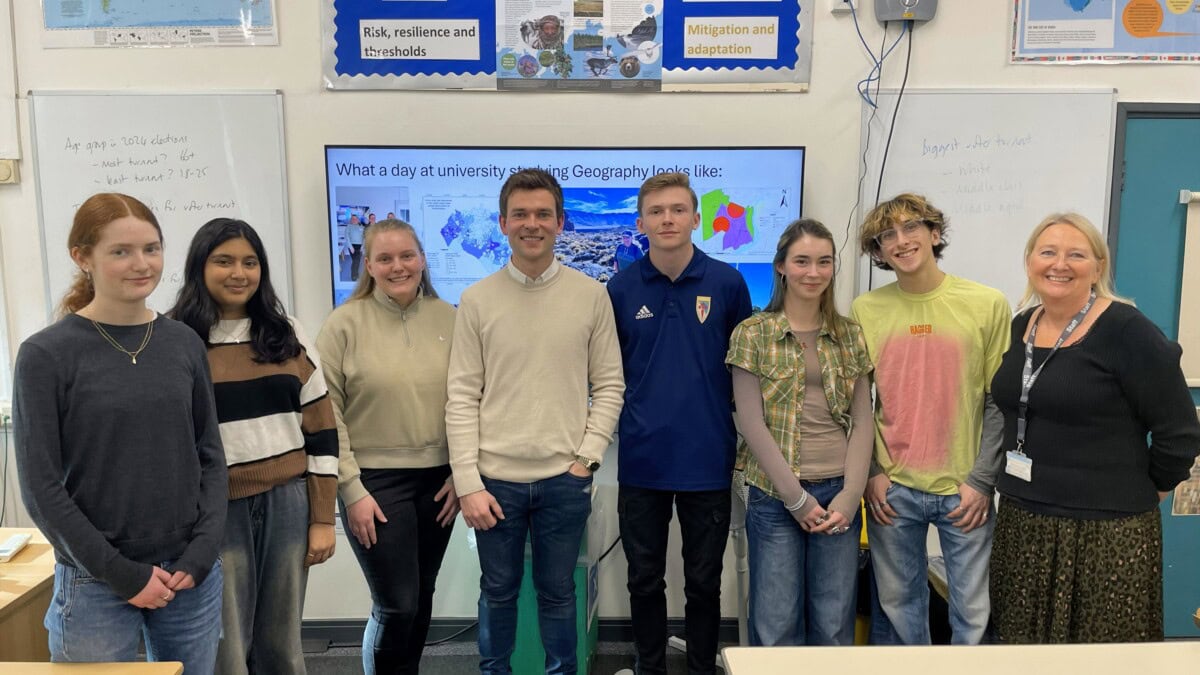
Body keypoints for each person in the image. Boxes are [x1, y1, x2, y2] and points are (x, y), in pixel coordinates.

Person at [13, 193, 226, 670]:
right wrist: (120, 574)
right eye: (121, 252)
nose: (141, 264)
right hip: (95, 581)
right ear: (82, 257)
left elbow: (209, 455)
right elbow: (41, 488)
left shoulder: (183, 342)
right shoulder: (46, 355)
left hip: (189, 576)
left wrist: (200, 555)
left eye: (151, 248)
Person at [989, 213, 1200, 643]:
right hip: (1023, 522)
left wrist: (1150, 490)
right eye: (1047, 252)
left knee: (1103, 655)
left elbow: (1180, 432)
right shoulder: (1021, 325)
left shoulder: (1126, 330)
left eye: (1076, 254)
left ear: (1098, 267)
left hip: (1106, 532)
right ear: (1030, 261)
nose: (1059, 264)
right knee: (1023, 653)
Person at [446, 168, 624, 674]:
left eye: (543, 214)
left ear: (560, 223)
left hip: (563, 480)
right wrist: (467, 481)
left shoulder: (591, 295)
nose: (532, 224)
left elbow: (610, 384)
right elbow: (460, 395)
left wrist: (586, 460)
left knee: (558, 594)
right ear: (502, 223)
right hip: (493, 483)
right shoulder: (478, 300)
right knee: (497, 594)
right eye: (520, 214)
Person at [170, 218, 339, 674]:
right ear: (199, 267)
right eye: (223, 261)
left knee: (281, 644)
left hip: (288, 503)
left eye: (250, 262)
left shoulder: (288, 334)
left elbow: (321, 430)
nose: (238, 273)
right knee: (228, 646)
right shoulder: (176, 340)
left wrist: (323, 518)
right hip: (213, 510)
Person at [606, 172, 751, 674]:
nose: (667, 219)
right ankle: (650, 667)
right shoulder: (620, 288)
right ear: (641, 221)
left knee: (703, 582)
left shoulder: (728, 284)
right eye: (656, 211)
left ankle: (700, 669)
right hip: (641, 460)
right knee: (643, 579)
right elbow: (608, 374)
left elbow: (743, 376)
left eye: (676, 209)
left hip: (708, 458)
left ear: (694, 217)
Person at [851, 193, 1010, 645]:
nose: (900, 241)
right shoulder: (867, 310)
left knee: (973, 612)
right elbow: (860, 402)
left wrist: (982, 479)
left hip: (965, 489)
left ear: (934, 234)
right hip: (892, 491)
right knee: (900, 610)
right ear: (878, 252)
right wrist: (874, 473)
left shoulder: (987, 303)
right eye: (887, 236)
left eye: (911, 228)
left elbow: (998, 401)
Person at [317, 218, 461, 673]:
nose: (398, 266)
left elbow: (472, 400)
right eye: (385, 258)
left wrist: (464, 473)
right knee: (396, 604)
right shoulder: (343, 324)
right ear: (369, 265)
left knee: (421, 595)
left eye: (407, 256)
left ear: (422, 259)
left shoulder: (451, 317)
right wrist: (351, 489)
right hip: (374, 482)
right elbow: (325, 415)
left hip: (440, 480)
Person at [727, 218, 873, 646]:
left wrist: (850, 496)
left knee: (833, 624)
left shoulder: (849, 334)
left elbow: (864, 419)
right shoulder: (753, 334)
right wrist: (796, 498)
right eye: (803, 261)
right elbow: (751, 423)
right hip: (776, 497)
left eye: (824, 262)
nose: (814, 272)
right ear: (781, 267)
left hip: (838, 496)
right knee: (775, 627)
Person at [347, 214, 365, 281]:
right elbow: (347, 237)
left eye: (355, 218)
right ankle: (354, 276)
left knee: (356, 261)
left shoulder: (361, 227)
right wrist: (350, 247)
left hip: (360, 246)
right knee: (356, 261)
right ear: (351, 220)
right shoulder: (349, 226)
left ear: (358, 219)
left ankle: (355, 274)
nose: (354, 220)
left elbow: (364, 237)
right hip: (352, 246)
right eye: (353, 219)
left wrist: (362, 246)